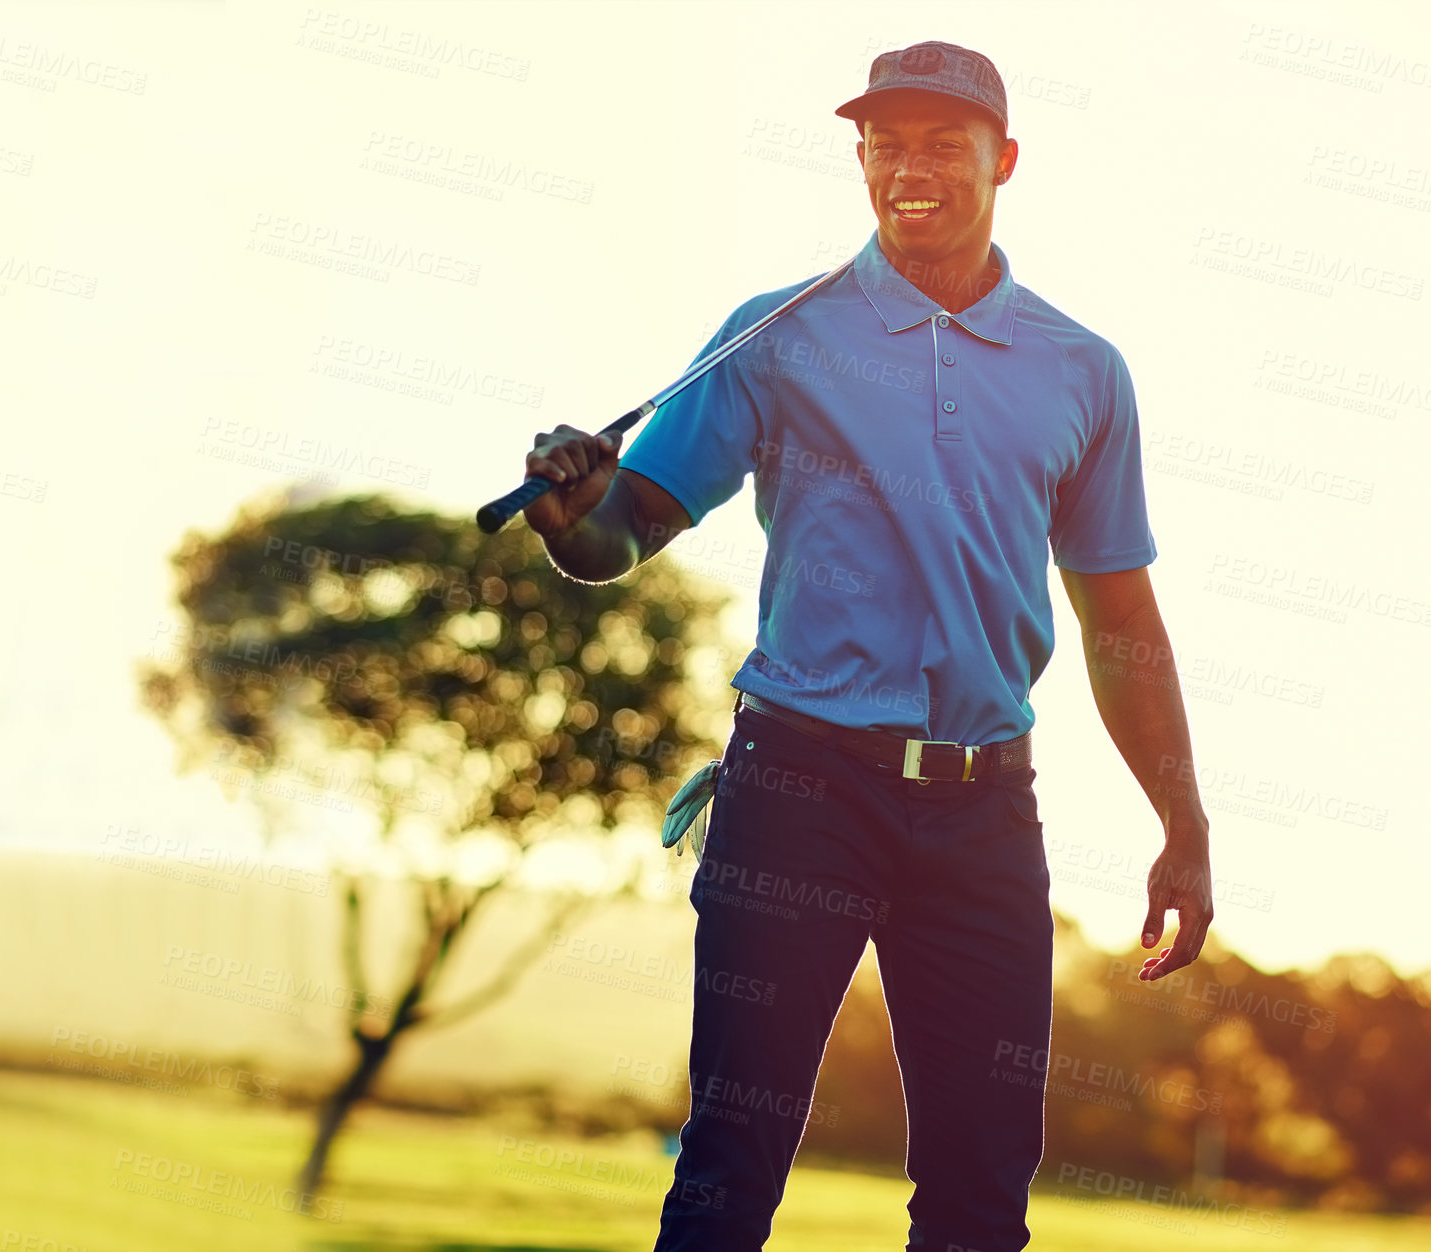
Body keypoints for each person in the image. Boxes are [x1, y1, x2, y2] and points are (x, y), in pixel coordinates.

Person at [520, 39, 1213, 1252]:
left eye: (942, 144)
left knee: (979, 1200)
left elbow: (1122, 621)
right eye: (884, 144)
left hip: (986, 813)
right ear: (858, 159)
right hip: (797, 787)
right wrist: (574, 516)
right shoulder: (776, 335)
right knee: (728, 1172)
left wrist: (1183, 822)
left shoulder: (1083, 371)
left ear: (1003, 159)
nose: (909, 168)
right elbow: (626, 531)